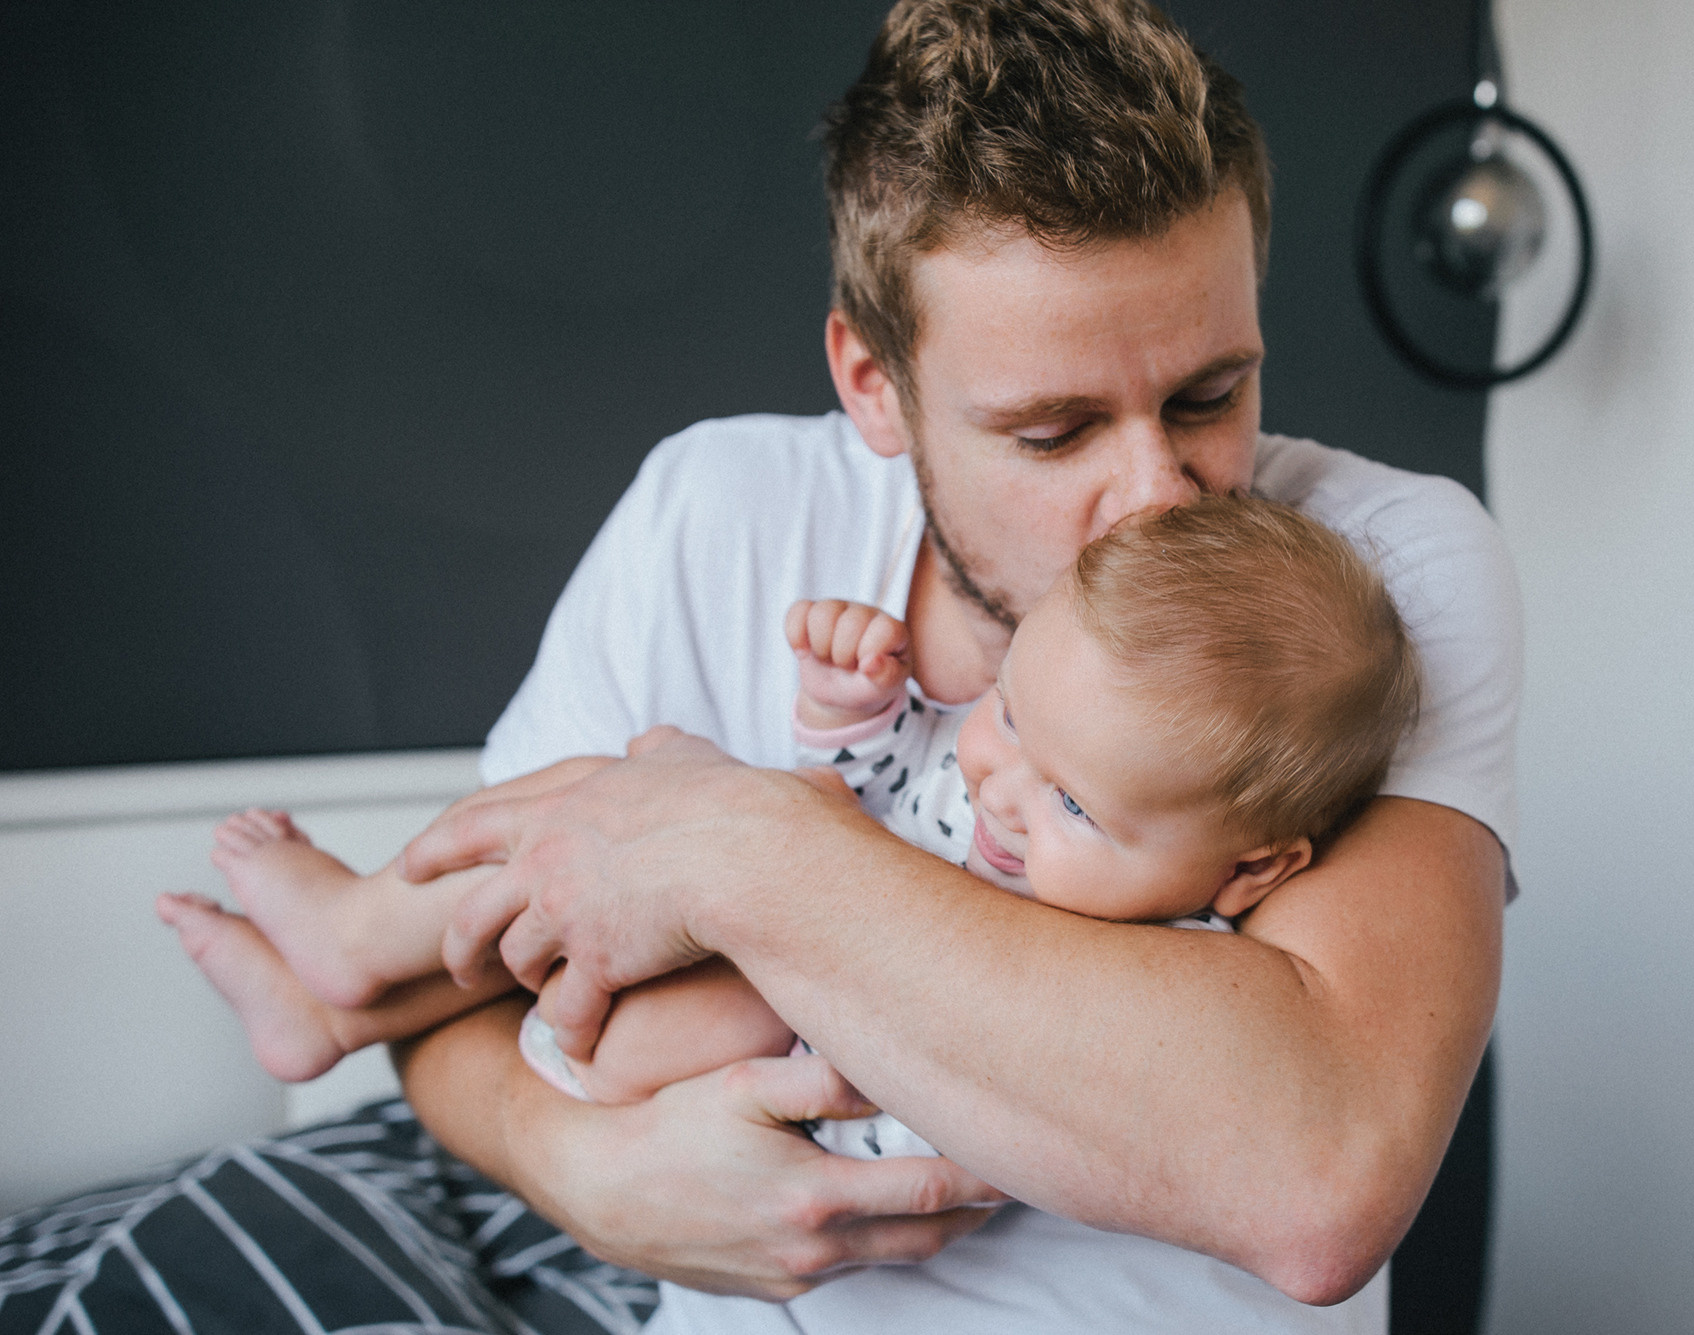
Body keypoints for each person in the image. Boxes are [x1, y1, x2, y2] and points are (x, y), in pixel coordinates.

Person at [0, 3, 1517, 1331]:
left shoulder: (1368, 579)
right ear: (876, 379)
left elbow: (1321, 1176)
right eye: (1050, 430)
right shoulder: (714, 513)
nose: (1161, 494)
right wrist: (583, 1171)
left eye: (1210, 390)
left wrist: (741, 843)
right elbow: (450, 1004)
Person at [157, 497, 1419, 1143]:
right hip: (667, 962)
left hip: (723, 1077)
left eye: (1078, 807)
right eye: (1014, 717)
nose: (1003, 795)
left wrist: (800, 911)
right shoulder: (978, 777)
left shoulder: (1175, 969)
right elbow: (882, 782)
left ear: (1249, 867)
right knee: (637, 784)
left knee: (753, 936)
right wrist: (848, 709)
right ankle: (345, 970)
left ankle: (372, 982)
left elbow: (1015, 1102)